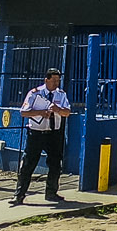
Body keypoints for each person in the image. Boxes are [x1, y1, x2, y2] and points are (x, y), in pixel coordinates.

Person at [12, 67, 72, 205]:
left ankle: (51, 192)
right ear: (47, 80)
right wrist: (41, 112)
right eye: (54, 80)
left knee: (55, 163)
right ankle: (19, 194)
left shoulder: (61, 94)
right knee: (28, 163)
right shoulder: (35, 93)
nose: (56, 83)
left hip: (54, 134)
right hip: (37, 133)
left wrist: (58, 110)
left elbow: (67, 112)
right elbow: (24, 112)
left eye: (58, 80)